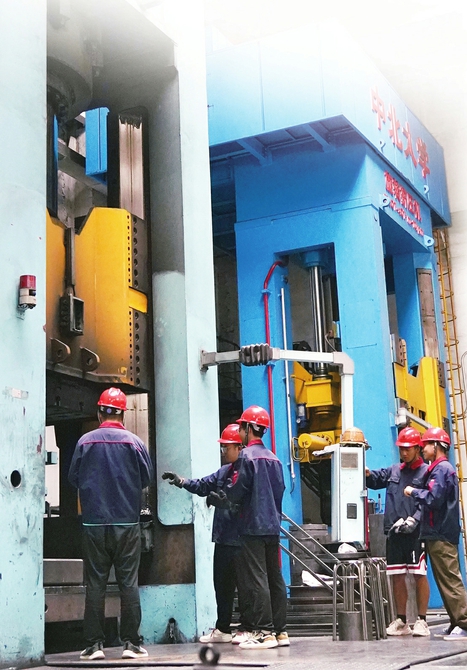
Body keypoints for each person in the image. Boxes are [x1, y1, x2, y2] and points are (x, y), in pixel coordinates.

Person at [68, 387, 153, 660]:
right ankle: (131, 644)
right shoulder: (135, 443)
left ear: (99, 412)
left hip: (94, 525)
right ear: (123, 414)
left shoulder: (85, 442)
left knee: (96, 584)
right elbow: (146, 479)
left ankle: (94, 646)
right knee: (129, 583)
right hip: (127, 524)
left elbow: (73, 478)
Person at [162, 424, 248, 644]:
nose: (223, 452)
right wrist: (182, 482)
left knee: (246, 587)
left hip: (243, 540)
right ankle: (223, 629)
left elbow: (250, 502)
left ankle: (248, 628)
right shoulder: (224, 472)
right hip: (223, 538)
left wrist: (228, 504)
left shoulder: (248, 472)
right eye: (222, 448)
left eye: (226, 447)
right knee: (222, 586)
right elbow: (203, 485)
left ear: (239, 447)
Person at [225, 405, 289, 650]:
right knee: (274, 577)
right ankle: (280, 631)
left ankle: (264, 632)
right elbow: (280, 490)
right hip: (272, 526)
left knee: (257, 578)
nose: (240, 432)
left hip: (252, 526)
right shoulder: (274, 458)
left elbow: (238, 490)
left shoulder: (246, 456)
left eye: (242, 427)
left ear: (249, 428)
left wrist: (225, 496)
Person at [366, 426, 430, 637]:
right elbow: (374, 479)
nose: (404, 452)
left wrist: (416, 519)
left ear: (418, 448)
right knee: (397, 576)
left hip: (416, 534)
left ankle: (422, 621)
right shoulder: (394, 471)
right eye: (401, 448)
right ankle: (402, 621)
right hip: (394, 533)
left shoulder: (426, 473)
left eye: (408, 448)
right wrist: (364, 471)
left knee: (419, 574)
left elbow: (429, 500)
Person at [404, 427, 467, 640]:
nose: (423, 449)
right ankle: (456, 621)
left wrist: (414, 492)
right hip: (436, 532)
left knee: (450, 579)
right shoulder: (437, 469)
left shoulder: (442, 469)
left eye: (426, 444)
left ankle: (464, 623)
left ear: (437, 446)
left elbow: (434, 499)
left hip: (441, 532)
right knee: (444, 581)